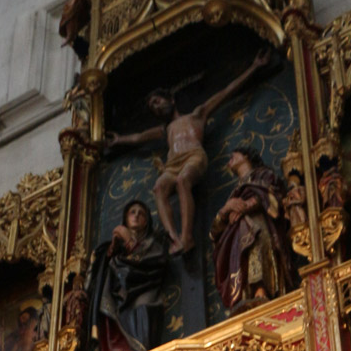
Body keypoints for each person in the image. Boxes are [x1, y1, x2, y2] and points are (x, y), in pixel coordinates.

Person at [105, 48, 272, 255]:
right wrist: (120, 139)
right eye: (152, 107)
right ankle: (174, 238)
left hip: (193, 156)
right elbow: (138, 137)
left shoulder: (196, 115)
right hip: (173, 163)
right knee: (159, 188)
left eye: (157, 101)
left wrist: (255, 66)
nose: (155, 107)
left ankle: (187, 237)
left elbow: (226, 91)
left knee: (183, 181)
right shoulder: (164, 130)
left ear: (171, 100)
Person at [210, 146, 296, 313]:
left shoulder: (264, 175)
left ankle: (261, 290)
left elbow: (275, 197)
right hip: (237, 236)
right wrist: (226, 210)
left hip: (260, 226)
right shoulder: (234, 193)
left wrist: (247, 205)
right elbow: (215, 233)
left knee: (254, 238)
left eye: (232, 156)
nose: (229, 162)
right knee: (241, 248)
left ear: (246, 156)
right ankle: (245, 295)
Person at [86, 200, 166, 351]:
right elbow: (100, 274)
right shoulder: (116, 245)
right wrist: (110, 252)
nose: (136, 215)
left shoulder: (152, 243)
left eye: (141, 213)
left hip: (143, 290)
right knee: (106, 302)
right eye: (132, 212)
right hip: (118, 293)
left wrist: (130, 241)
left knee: (143, 310)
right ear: (125, 218)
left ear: (147, 221)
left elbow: (152, 263)